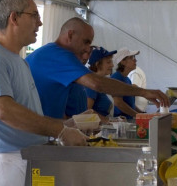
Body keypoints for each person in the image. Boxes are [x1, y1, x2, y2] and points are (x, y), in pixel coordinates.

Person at [0, 0, 87, 186]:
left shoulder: (18, 60)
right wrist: (60, 130)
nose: (40, 22)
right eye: (34, 15)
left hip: (23, 164)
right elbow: (4, 110)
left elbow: (27, 113)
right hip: (3, 168)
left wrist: (66, 124)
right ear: (14, 18)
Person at [26, 18, 169, 119]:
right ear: (70, 35)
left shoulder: (54, 54)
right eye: (86, 42)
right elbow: (97, 84)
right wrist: (143, 92)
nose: (87, 49)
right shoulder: (57, 55)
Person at [86, 46, 117, 120]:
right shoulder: (92, 83)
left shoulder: (98, 82)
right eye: (108, 62)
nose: (112, 65)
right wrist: (108, 121)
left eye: (111, 61)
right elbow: (87, 111)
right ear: (97, 64)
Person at [111, 48, 141, 118]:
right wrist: (138, 115)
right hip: (121, 122)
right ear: (123, 62)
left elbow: (130, 104)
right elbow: (118, 103)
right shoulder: (116, 78)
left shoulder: (127, 79)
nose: (135, 60)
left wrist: (142, 113)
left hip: (128, 121)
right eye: (131, 57)